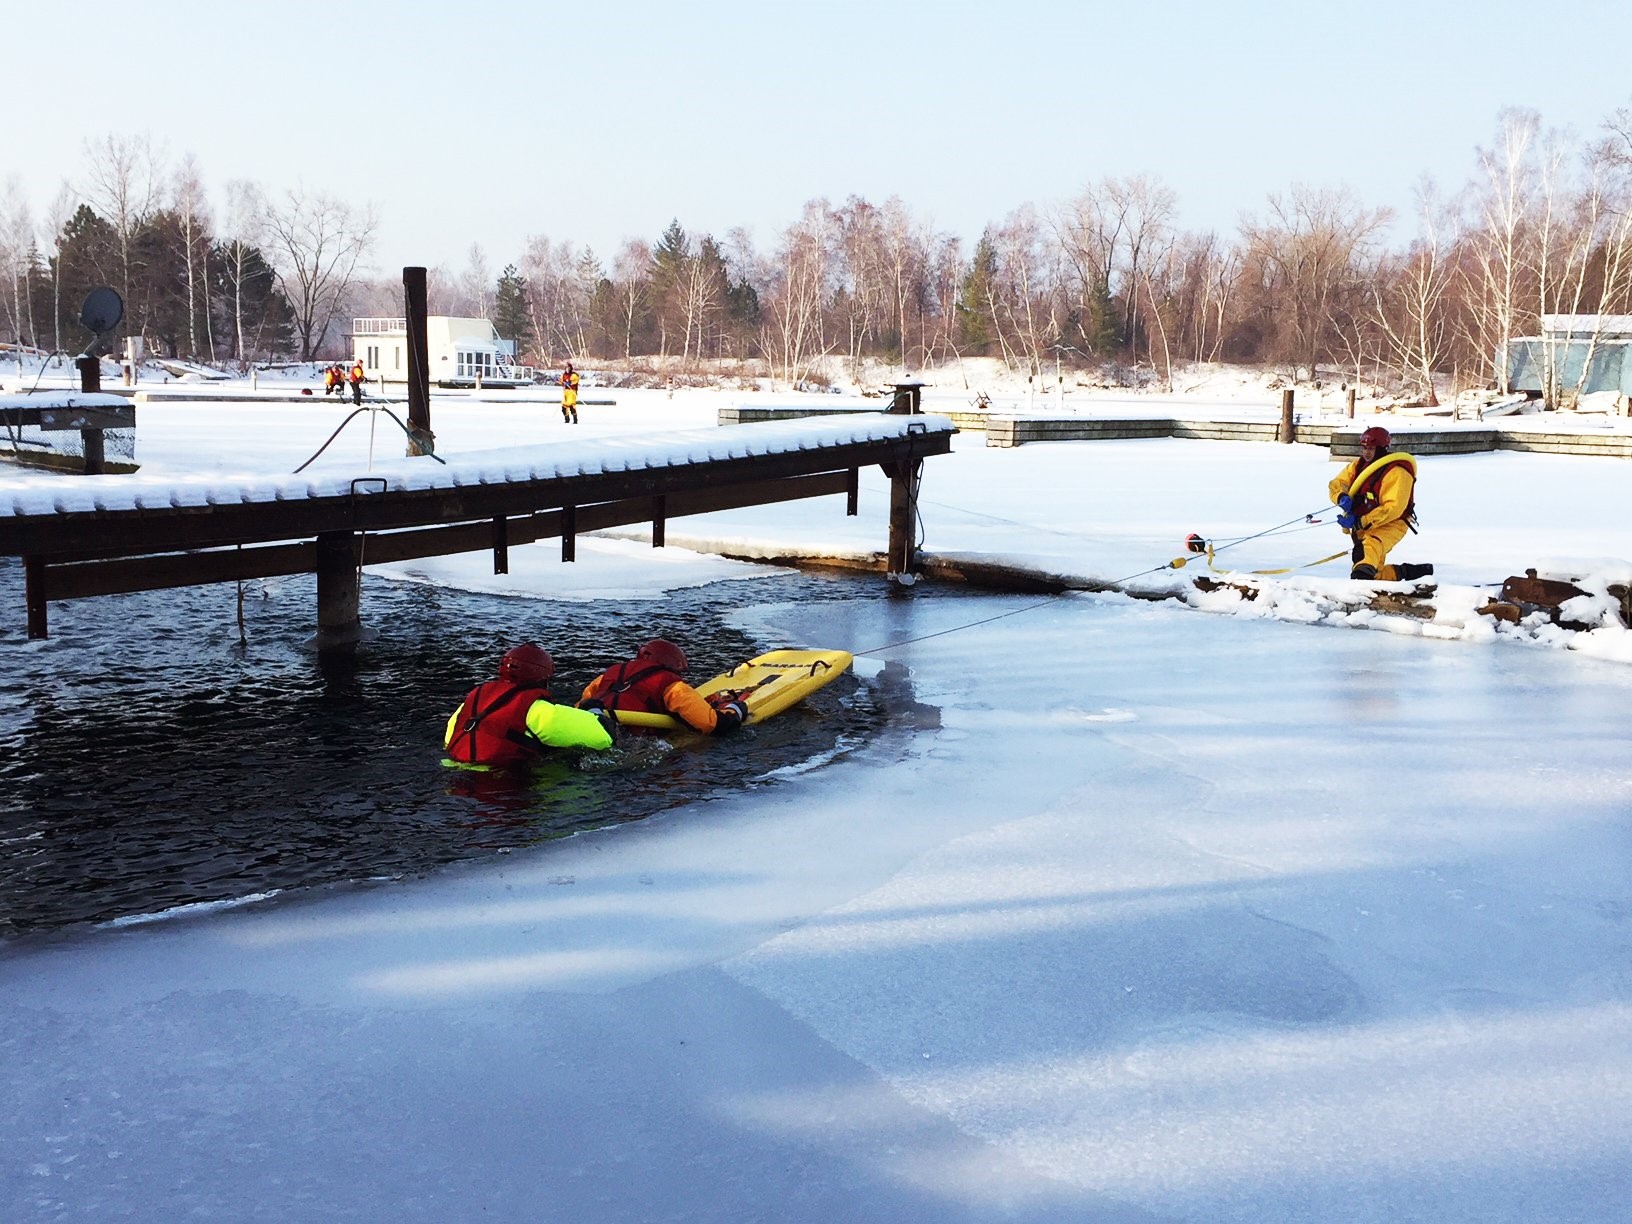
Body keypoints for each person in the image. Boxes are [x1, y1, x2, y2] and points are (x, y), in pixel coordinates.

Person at [444, 642, 617, 769]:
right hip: (502, 784)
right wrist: (593, 709)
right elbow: (604, 738)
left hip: (454, 772)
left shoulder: (472, 701)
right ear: (544, 679)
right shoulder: (538, 710)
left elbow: (448, 739)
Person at [579, 638, 747, 735]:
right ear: (673, 666)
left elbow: (582, 704)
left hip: (593, 730)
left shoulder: (608, 675)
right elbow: (711, 724)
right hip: (634, 742)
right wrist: (736, 709)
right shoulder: (672, 686)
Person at [1329, 426, 1434, 582]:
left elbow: (1393, 508)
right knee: (1371, 567)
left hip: (1393, 522)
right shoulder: (1358, 466)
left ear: (1381, 449)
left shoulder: (1397, 472)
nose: (1366, 452)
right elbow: (1339, 482)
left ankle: (1360, 580)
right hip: (1365, 523)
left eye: (1370, 448)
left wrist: (1361, 521)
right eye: (1364, 448)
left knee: (1370, 545)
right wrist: (1342, 497)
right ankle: (1407, 572)